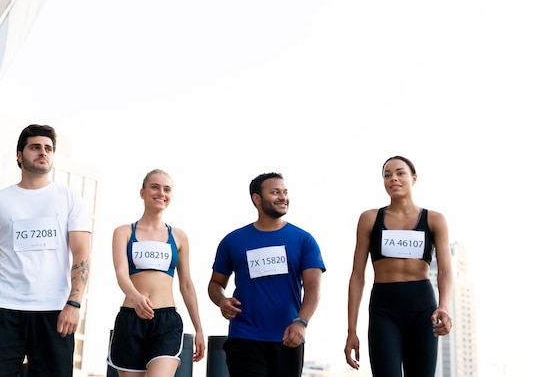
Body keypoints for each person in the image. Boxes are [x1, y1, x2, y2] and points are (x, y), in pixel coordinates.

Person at [0, 124, 92, 377]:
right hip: (3, 308)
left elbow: (82, 255)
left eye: (48, 148)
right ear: (19, 155)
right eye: (35, 147)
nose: (43, 153)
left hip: (55, 311)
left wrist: (74, 303)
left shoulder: (69, 198)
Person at [208, 172, 325, 377]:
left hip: (288, 337)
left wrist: (301, 322)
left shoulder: (304, 240)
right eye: (275, 192)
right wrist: (221, 301)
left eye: (285, 192)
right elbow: (215, 284)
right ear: (257, 198)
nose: (282, 197)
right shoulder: (233, 241)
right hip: (244, 337)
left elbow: (314, 288)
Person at [344, 155, 453, 376]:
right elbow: (357, 275)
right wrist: (351, 330)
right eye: (387, 175)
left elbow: (445, 270)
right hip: (384, 309)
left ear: (413, 178)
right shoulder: (369, 218)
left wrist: (444, 306)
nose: (393, 178)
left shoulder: (434, 220)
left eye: (400, 173)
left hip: (422, 308)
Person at [107, 169, 205, 376]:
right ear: (142, 193)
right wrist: (136, 298)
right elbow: (121, 274)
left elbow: (186, 284)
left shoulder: (178, 237)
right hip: (131, 319)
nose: (161, 193)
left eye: (167, 189)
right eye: (155, 187)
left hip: (166, 321)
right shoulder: (123, 232)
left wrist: (199, 329)